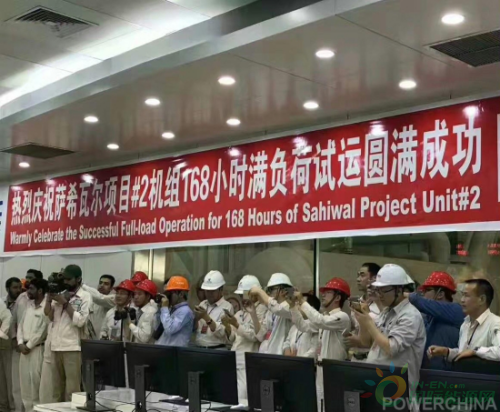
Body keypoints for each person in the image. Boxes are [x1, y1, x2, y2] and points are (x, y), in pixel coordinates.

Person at [355, 264, 425, 406]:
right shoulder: (387, 312)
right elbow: (366, 342)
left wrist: (369, 323)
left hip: (398, 394)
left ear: (399, 290)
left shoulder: (410, 315)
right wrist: (362, 320)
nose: (379, 295)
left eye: (383, 290)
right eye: (378, 290)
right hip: (378, 388)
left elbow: (391, 347)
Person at [289, 278, 351, 411]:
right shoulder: (325, 317)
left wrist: (302, 301)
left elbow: (321, 320)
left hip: (334, 372)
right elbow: (303, 326)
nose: (323, 295)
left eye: (328, 292)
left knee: (331, 406)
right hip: (320, 370)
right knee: (320, 406)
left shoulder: (342, 316)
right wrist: (293, 306)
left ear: (338, 297)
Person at [44, 265, 92, 402]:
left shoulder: (85, 296)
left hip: (72, 348)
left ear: (78, 279)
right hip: (55, 346)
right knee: (56, 390)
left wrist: (65, 303)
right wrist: (49, 299)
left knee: (72, 391)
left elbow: (80, 321)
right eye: (64, 279)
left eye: (69, 279)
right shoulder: (60, 293)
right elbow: (49, 316)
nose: (65, 282)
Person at [428, 278, 500, 363]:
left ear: (482, 299)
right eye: (462, 295)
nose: (462, 300)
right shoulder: (466, 324)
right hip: (464, 371)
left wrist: (475, 351)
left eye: (466, 295)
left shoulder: (495, 323)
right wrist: (447, 352)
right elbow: (463, 353)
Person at [222, 275, 268, 406]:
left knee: (243, 399)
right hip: (234, 358)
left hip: (247, 360)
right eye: (241, 294)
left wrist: (236, 324)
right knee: (231, 397)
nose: (242, 297)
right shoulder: (241, 312)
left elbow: (255, 336)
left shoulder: (261, 310)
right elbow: (232, 338)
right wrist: (227, 325)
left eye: (244, 294)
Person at [407, 271, 464, 370]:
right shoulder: (429, 317)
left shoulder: (456, 310)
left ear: (440, 294)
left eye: (427, 290)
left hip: (447, 374)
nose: (423, 294)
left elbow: (419, 301)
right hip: (425, 372)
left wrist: (405, 295)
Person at [17, 279, 49, 412]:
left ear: (40, 291)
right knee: (24, 385)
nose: (28, 291)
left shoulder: (46, 306)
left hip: (36, 349)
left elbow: (42, 330)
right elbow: (20, 325)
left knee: (36, 386)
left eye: (31, 289)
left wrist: (29, 345)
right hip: (23, 350)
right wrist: (20, 342)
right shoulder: (29, 306)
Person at [250, 273, 293, 355]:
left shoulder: (290, 308)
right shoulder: (271, 311)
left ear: (283, 290)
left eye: (272, 289)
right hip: (269, 353)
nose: (269, 293)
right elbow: (261, 336)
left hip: (282, 355)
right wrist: (253, 314)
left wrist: (260, 291)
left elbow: (279, 309)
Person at [346, 263, 382, 360]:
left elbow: (384, 338)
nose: (358, 279)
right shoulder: (357, 303)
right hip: (355, 357)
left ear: (374, 278)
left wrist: (360, 341)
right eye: (358, 275)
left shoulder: (382, 305)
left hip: (372, 358)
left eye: (362, 275)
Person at [193, 271, 233, 349]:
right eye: (207, 291)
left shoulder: (227, 307)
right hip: (199, 347)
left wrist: (206, 317)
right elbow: (195, 329)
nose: (209, 294)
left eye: (212, 291)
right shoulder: (202, 304)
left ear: (221, 289)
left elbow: (222, 333)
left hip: (216, 349)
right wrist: (196, 319)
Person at [2, 277, 23, 412]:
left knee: (12, 379)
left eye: (20, 287)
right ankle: (3, 407)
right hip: (2, 343)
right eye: (15, 287)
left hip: (14, 344)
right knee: (1, 379)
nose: (18, 290)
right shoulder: (2, 302)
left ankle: (13, 407)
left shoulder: (23, 303)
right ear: (7, 288)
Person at [156, 276, 194, 347]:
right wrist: (160, 308)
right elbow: (157, 327)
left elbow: (170, 329)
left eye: (170, 293)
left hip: (175, 351)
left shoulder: (186, 311)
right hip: (165, 350)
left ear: (181, 294)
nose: (168, 297)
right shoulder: (171, 309)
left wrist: (164, 308)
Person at [283, 294, 320, 358]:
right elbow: (287, 342)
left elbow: (314, 350)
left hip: (305, 362)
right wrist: (287, 352)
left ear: (311, 308)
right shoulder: (294, 326)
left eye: (300, 304)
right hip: (290, 361)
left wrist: (298, 359)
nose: (297, 307)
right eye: (296, 304)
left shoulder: (316, 326)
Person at [128, 279, 158, 344]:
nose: (135, 297)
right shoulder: (139, 310)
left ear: (148, 296)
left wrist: (130, 324)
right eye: (134, 294)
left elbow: (144, 338)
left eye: (139, 294)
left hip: (144, 349)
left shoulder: (150, 312)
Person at [0, 297, 13, 412]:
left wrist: (1, 333)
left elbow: (7, 317)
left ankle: (8, 407)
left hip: (4, 345)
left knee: (6, 379)